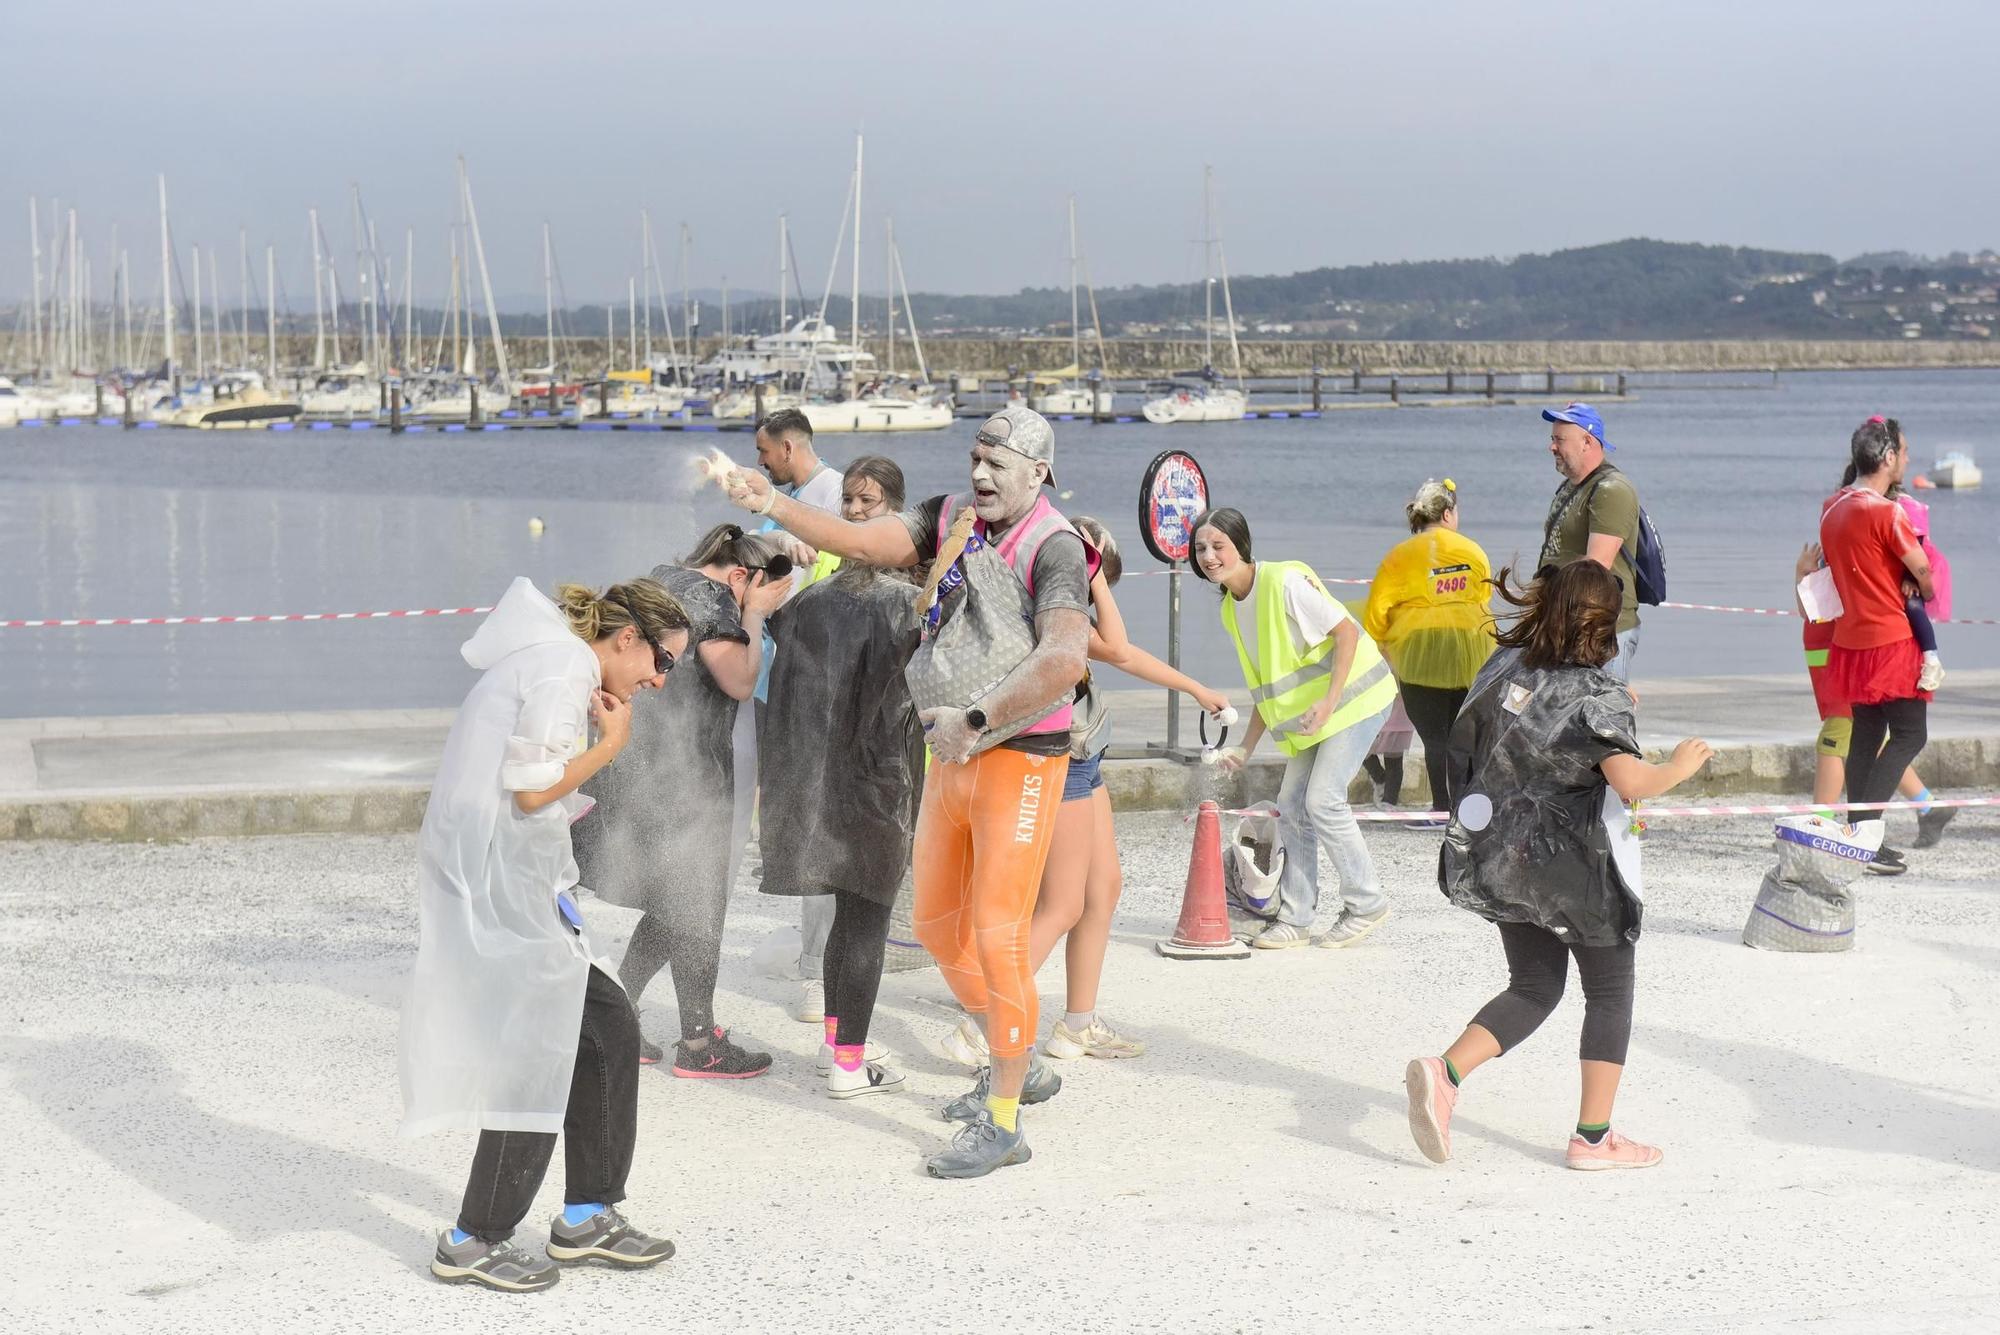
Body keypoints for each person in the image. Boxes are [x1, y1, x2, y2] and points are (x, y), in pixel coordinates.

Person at [721, 405, 1092, 1180]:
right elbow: (860, 541)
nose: (981, 475)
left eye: (999, 464)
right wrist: (769, 501)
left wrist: (981, 716)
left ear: (1040, 473)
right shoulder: (954, 516)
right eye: (975, 459)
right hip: (954, 747)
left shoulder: (1054, 546)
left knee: (998, 930)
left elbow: (1066, 657)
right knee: (932, 922)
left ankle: (1003, 1118)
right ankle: (1014, 1052)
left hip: (1019, 750)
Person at [402, 576, 690, 1292]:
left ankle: (586, 1213)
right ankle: (475, 1237)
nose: (658, 679)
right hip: (504, 884)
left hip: (507, 877)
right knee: (544, 1047)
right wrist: (612, 743)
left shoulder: (551, 658)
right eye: (663, 661)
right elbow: (532, 787)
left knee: (605, 1030)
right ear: (627, 638)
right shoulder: (565, 666)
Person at [1404, 558, 1712, 1172]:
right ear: (1600, 626)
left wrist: (1613, 710)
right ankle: (1593, 1139)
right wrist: (1679, 765)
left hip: (1502, 856)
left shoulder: (1502, 666)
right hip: (1575, 869)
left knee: (1535, 986)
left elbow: (1512, 733)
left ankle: (1446, 1072)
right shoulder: (1598, 697)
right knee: (1609, 993)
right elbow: (1631, 783)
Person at [573, 523, 793, 1077]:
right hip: (684, 774)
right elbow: (739, 681)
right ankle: (697, 1045)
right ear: (741, 574)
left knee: (675, 900)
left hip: (636, 763)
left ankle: (620, 1013)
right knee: (697, 899)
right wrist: (756, 615)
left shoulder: (667, 579)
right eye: (758, 588)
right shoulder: (717, 602)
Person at [1027, 516, 1229, 1061]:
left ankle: (1077, 1024)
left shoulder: (1065, 615)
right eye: (1100, 583)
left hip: (1084, 757)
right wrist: (1088, 572)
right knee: (1062, 903)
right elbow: (1117, 648)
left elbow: (1124, 653)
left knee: (1104, 888)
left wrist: (1194, 687)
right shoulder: (1051, 613)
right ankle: (985, 1020)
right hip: (1060, 759)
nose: (1102, 596)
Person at [758, 455, 923, 1099]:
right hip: (880, 784)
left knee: (843, 916)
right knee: (865, 920)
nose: (854, 511)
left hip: (819, 784)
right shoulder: (911, 608)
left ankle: (836, 1039)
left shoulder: (808, 605)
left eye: (867, 503)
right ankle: (849, 1063)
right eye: (850, 501)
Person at [1194, 507, 1401, 950]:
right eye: (1201, 549)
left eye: (1218, 546)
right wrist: (1245, 750)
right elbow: (1267, 690)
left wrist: (1327, 704)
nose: (1209, 556)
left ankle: (1366, 903)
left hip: (1357, 700)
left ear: (1241, 546)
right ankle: (1297, 918)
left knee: (1323, 800)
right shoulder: (1232, 610)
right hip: (1318, 717)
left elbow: (1346, 632)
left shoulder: (1283, 581)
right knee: (1291, 804)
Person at [749, 408, 846, 1027]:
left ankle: (819, 970)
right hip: (772, 681)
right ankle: (818, 957)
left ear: (789, 446)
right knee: (797, 824)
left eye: (763, 451)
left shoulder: (831, 496)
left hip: (813, 683)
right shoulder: (784, 497)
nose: (759, 460)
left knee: (821, 827)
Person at [1816, 416, 1939, 872]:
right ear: (1887, 458)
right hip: (1890, 636)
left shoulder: (1833, 505)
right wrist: (1922, 587)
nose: (1906, 459)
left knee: (1866, 735)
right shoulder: (1886, 512)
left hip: (1850, 639)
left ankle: (1858, 835)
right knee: (1910, 733)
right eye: (1903, 453)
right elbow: (1922, 569)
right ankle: (1867, 834)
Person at [1795, 542, 1953, 857]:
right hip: (1834, 661)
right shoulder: (1838, 560)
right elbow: (1810, 611)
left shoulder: (1864, 567)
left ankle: (1820, 823)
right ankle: (1927, 806)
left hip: (1849, 664)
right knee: (1868, 745)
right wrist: (1802, 573)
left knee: (1833, 743)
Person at [1362, 477, 1494, 822]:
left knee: (1435, 738)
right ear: (1448, 513)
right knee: (1464, 734)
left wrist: (1384, 646)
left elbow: (1376, 611)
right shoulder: (1473, 550)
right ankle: (1468, 810)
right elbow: (1483, 597)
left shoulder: (1399, 556)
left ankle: (1441, 809)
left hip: (1419, 652)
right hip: (1472, 648)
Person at [1539, 403, 1644, 680]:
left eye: (1559, 440)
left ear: (1587, 442)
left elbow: (1595, 572)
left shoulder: (1612, 491)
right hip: (1568, 629)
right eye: (1552, 439)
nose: (1552, 447)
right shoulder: (1572, 487)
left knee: (1602, 718)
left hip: (1600, 635)